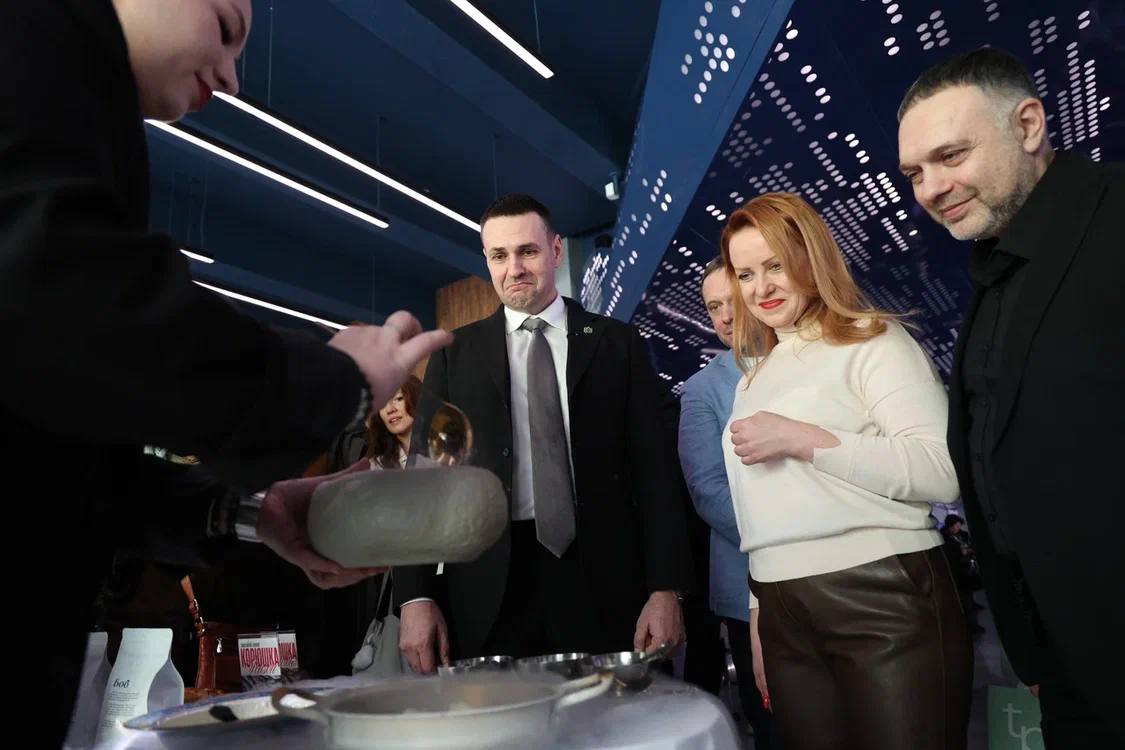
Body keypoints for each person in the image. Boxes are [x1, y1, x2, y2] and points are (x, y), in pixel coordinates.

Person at [0, 1, 449, 743]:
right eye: (226, 24)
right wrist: (334, 380)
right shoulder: (31, 40)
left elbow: (77, 445)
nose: (235, 78)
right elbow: (66, 304)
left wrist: (245, 512)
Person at [897, 47, 1125, 746]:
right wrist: (1032, 645)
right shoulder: (996, 270)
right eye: (914, 173)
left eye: (951, 155)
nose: (932, 188)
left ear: (1028, 126)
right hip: (1064, 658)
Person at [395, 194, 694, 672]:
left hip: (604, 583)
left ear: (555, 251)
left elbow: (654, 474)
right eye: (499, 255)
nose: (514, 268)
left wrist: (666, 588)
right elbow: (424, 482)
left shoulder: (617, 345)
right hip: (488, 589)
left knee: (608, 716)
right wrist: (416, 597)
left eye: (527, 251)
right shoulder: (455, 355)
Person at [722, 192, 970, 750]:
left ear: (811, 257)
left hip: (883, 595)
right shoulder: (752, 379)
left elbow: (942, 470)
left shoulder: (872, 338)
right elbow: (761, 510)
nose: (760, 288)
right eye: (745, 273)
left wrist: (805, 440)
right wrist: (760, 613)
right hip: (782, 608)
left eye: (775, 265)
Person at [679, 257, 774, 747]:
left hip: (836, 581)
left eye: (731, 301)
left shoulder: (812, 363)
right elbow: (709, 492)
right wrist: (789, 538)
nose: (724, 316)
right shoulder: (702, 389)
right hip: (747, 584)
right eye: (713, 307)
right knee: (777, 729)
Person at [367, 376, 425, 469]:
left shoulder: (443, 451)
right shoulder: (377, 466)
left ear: (417, 399)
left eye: (399, 398)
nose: (390, 409)